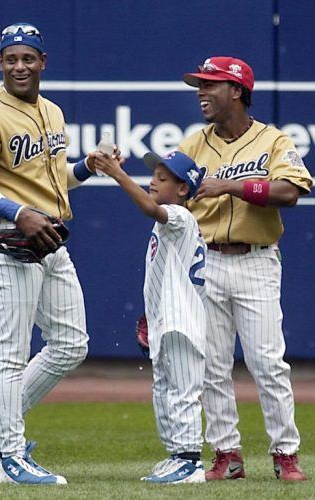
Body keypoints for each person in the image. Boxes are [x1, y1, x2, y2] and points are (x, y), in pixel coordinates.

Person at [0, 23, 104, 485]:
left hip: (48, 237)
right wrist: (19, 213)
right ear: (0, 63)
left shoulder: (52, 112)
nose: (20, 66)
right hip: (7, 238)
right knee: (11, 353)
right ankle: (13, 458)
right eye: (11, 58)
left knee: (71, 344)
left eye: (28, 58)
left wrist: (88, 167)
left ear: (42, 62)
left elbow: (52, 181)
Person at [177, 56, 313, 481]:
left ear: (236, 91)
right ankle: (226, 453)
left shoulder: (272, 141)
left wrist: (230, 185)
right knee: (211, 365)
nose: (201, 92)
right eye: (199, 84)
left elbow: (290, 191)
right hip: (206, 260)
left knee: (268, 363)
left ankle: (285, 454)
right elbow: (166, 199)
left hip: (256, 260)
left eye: (210, 85)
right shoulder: (192, 145)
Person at [92, 150, 207, 484]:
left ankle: (190, 461)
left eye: (163, 177)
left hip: (182, 321)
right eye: (154, 175)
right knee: (164, 389)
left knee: (182, 390)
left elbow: (148, 208)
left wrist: (116, 173)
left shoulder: (180, 216)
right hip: (167, 319)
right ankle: (177, 456)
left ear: (183, 189)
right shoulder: (171, 222)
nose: (153, 181)